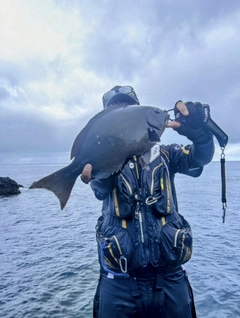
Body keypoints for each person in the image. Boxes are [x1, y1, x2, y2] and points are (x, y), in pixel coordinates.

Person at [81, 85, 214, 318]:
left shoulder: (167, 154)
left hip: (170, 278)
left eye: (129, 109)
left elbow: (199, 157)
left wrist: (201, 135)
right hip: (118, 283)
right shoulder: (102, 162)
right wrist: (100, 168)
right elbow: (100, 190)